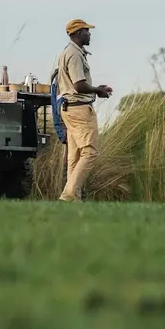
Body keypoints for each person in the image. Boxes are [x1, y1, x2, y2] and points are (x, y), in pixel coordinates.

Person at [55, 19, 113, 202]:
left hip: (69, 109)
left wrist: (96, 89)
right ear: (78, 33)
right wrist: (97, 90)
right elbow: (79, 85)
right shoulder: (74, 55)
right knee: (90, 152)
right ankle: (69, 194)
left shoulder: (68, 52)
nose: (90, 34)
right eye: (87, 31)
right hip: (79, 110)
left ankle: (73, 199)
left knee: (75, 156)